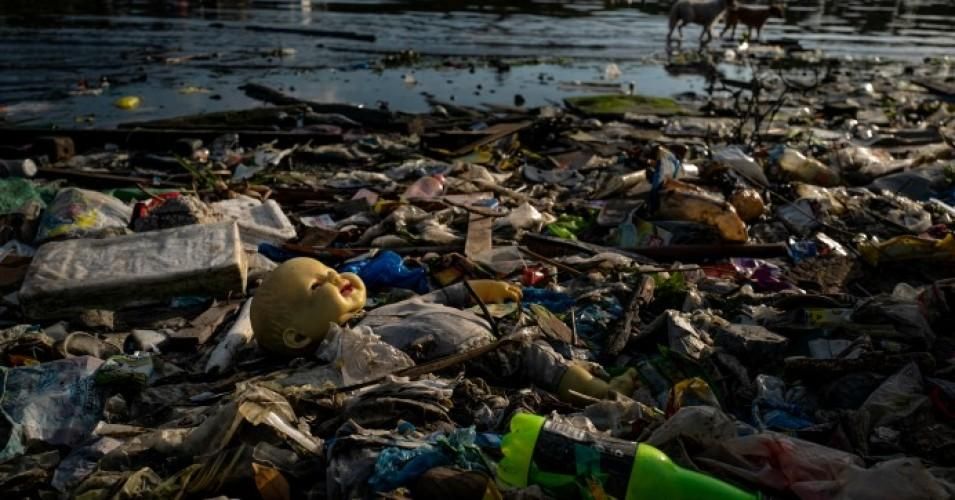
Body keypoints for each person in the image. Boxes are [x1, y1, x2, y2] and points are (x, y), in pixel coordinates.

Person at [250, 257, 635, 403]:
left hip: (491, 329)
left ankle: (595, 377)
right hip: (480, 357)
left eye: (328, 269)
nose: (336, 276)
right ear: (298, 337)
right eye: (318, 287)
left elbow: (442, 298)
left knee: (544, 348)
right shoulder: (345, 353)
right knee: (542, 364)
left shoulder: (385, 309)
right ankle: (603, 394)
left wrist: (482, 290)